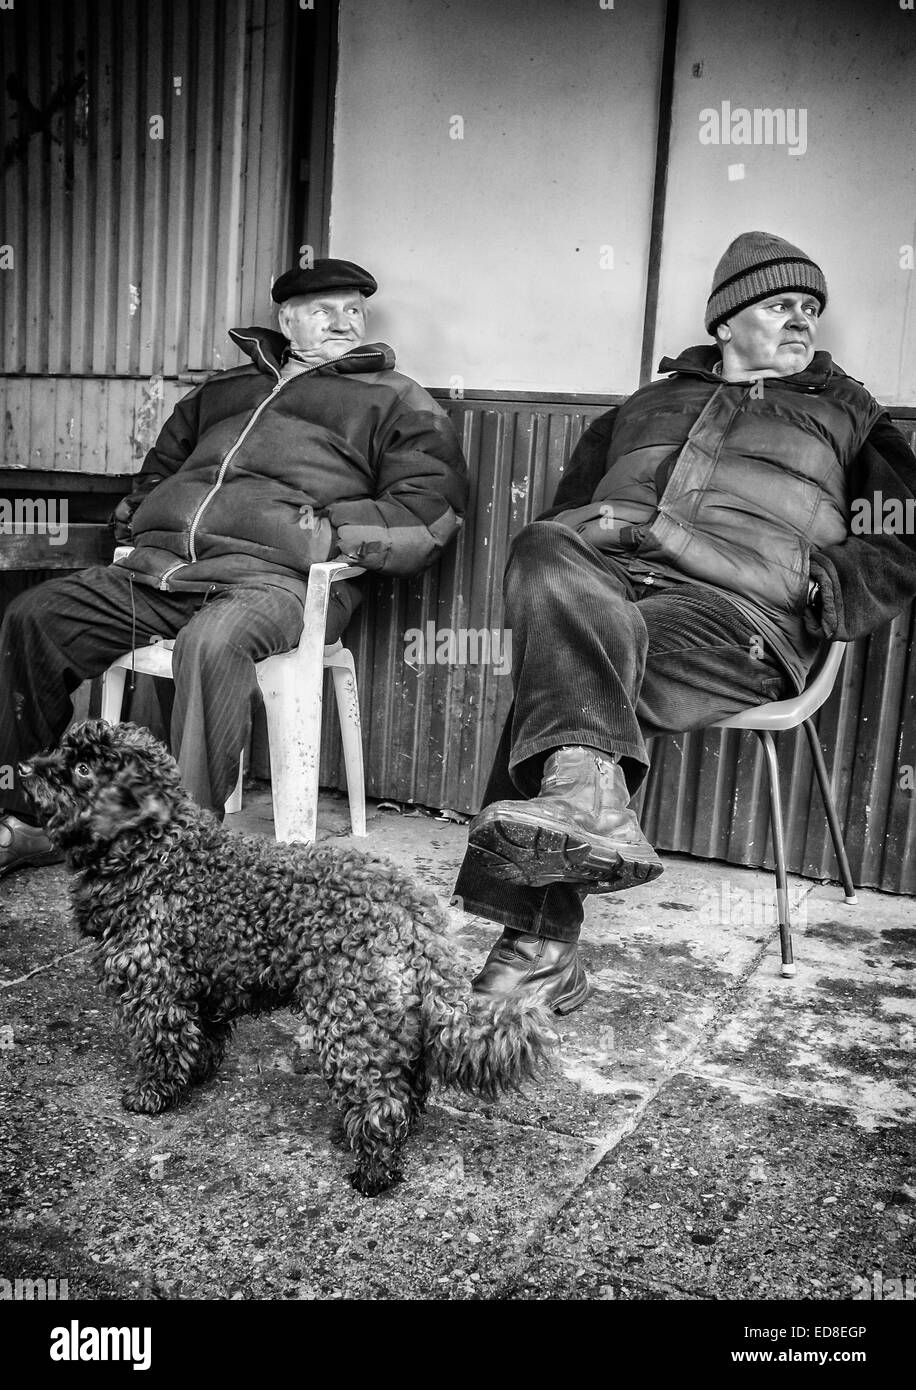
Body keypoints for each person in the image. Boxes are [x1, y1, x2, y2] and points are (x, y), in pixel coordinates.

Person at [453, 231, 916, 1016]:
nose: (802, 321)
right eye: (781, 305)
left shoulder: (850, 415)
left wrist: (820, 588)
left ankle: (538, 945)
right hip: (615, 584)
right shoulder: (646, 403)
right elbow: (569, 508)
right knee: (548, 552)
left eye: (811, 308)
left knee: (572, 673)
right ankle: (582, 804)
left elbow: (902, 533)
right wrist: (579, 560)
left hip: (740, 616)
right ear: (727, 324)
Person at [0, 258, 467, 876]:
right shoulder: (222, 393)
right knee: (35, 616)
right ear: (286, 321)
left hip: (280, 583)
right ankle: (29, 817)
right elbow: (157, 474)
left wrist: (319, 533)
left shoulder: (397, 399)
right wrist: (138, 528)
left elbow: (429, 512)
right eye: (323, 311)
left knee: (213, 642)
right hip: (164, 572)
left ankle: (178, 852)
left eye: (353, 310)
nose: (342, 322)